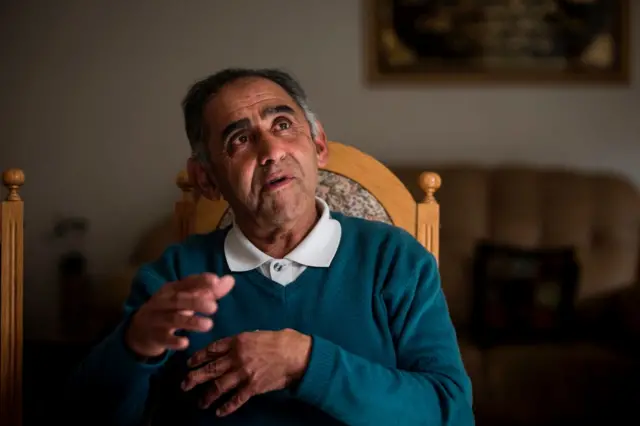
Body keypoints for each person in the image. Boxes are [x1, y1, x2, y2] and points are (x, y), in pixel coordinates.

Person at [64, 68, 474, 426]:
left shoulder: (395, 260)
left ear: (318, 146)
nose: (272, 151)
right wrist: (135, 346)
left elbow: (451, 414)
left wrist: (305, 363)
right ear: (206, 178)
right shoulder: (176, 277)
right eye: (240, 139)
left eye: (282, 125)